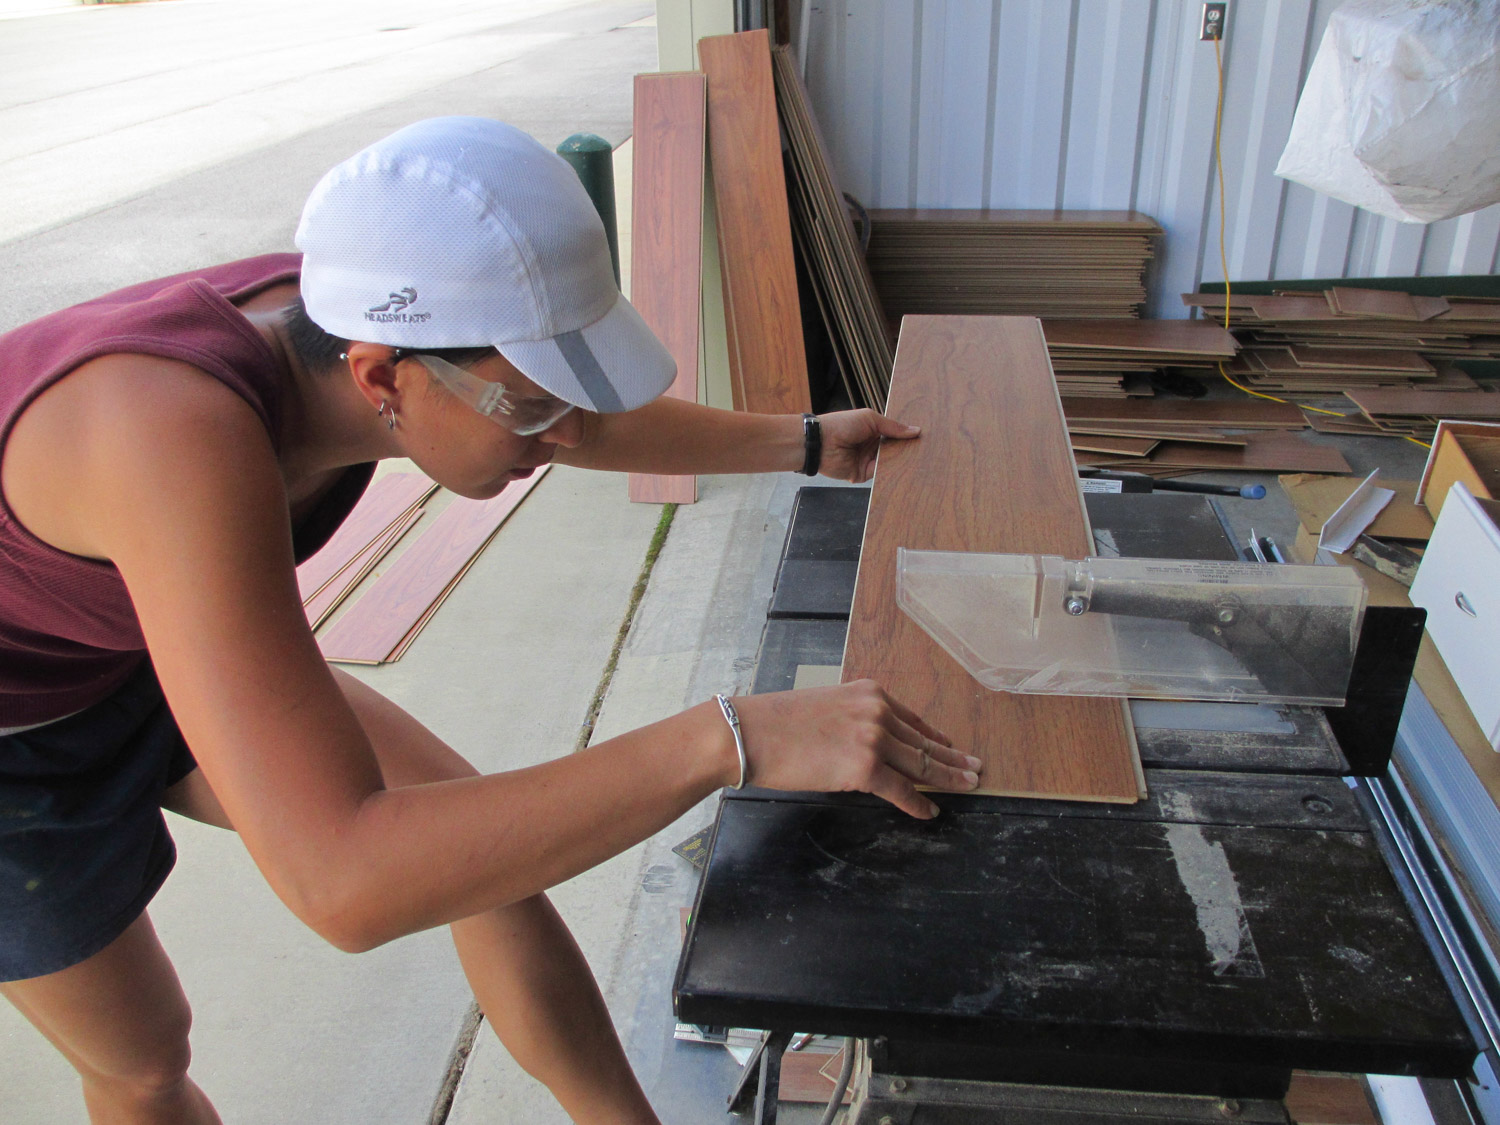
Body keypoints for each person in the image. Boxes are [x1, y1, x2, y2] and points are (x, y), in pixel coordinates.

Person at [0, 117, 981, 1124]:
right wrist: (728, 737)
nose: (559, 436)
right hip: (13, 735)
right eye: (528, 410)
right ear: (382, 377)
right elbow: (345, 881)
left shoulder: (367, 313)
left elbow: (559, 413)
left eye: (565, 393)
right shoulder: (169, 437)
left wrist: (809, 443)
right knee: (144, 1056)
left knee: (483, 857)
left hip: (119, 641)